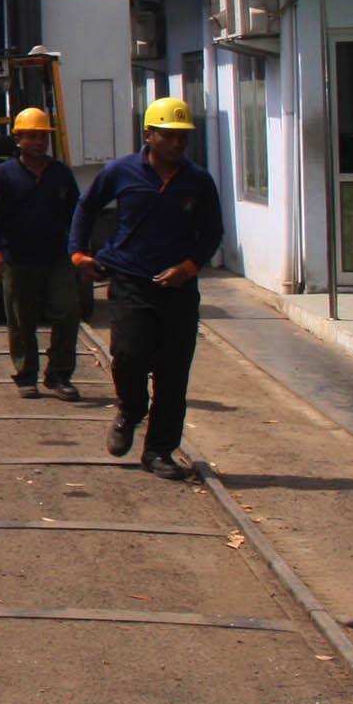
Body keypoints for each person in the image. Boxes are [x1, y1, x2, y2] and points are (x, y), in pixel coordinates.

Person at [70, 96, 225, 481]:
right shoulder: (120, 172)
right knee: (128, 354)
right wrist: (78, 254)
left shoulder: (198, 181)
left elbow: (213, 232)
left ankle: (159, 451)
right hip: (129, 281)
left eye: (182, 138)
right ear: (149, 136)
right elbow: (86, 208)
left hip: (177, 289)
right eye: (169, 136)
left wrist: (188, 268)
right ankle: (130, 409)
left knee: (174, 374)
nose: (177, 144)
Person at [0, 107, 81, 397]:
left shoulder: (61, 174)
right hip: (18, 258)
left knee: (67, 313)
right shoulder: (3, 176)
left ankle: (59, 375)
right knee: (21, 319)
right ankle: (26, 375)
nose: (40, 142)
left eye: (43, 137)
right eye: (33, 137)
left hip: (57, 257)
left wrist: (80, 250)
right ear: (19, 139)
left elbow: (77, 214)